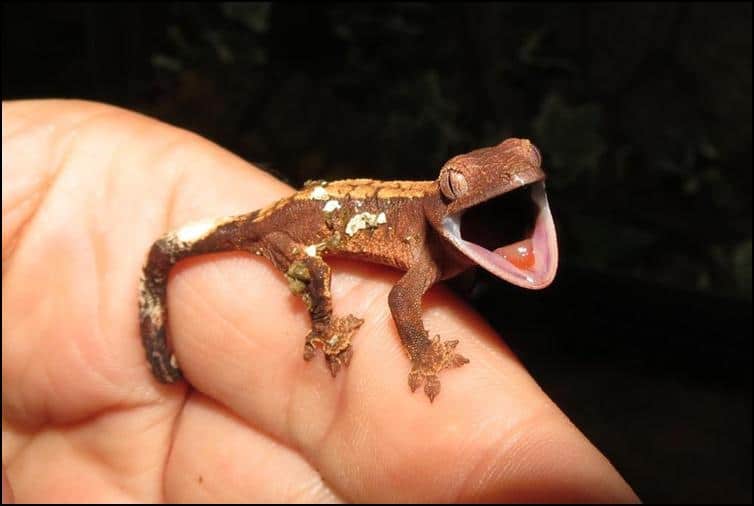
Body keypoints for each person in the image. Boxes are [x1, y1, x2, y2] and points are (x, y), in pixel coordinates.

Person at [1, 100, 639, 503]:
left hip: (314, 207)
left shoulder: (449, 243)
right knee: (318, 284)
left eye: (531, 159)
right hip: (286, 229)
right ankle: (316, 331)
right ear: (442, 195)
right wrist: (419, 357)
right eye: (453, 186)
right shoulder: (421, 257)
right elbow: (400, 305)